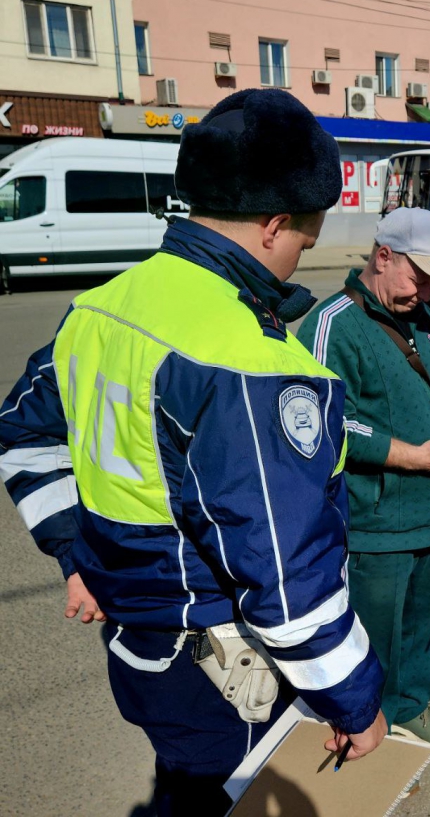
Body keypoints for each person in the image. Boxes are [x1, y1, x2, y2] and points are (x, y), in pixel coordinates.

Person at [0, 89, 386, 816]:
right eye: (306, 237)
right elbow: (285, 576)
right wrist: (355, 699)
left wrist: (74, 553)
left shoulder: (105, 305)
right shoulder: (246, 361)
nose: (304, 255)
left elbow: (23, 434)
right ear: (274, 224)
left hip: (143, 657)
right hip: (228, 675)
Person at [298, 206, 430, 751]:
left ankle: (407, 707)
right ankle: (364, 720)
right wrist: (413, 457)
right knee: (373, 634)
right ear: (384, 256)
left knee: (429, 620)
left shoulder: (418, 315)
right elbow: (322, 425)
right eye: (418, 277)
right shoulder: (331, 322)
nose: (425, 291)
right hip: (375, 519)